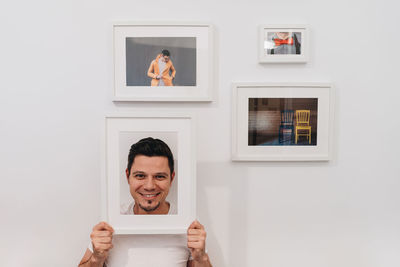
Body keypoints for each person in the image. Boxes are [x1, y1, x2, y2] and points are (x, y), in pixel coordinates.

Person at [78, 137, 212, 267]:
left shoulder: (186, 222)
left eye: (159, 176)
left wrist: (201, 258)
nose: (149, 186)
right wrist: (96, 259)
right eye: (140, 176)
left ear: (171, 178)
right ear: (127, 176)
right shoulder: (111, 219)